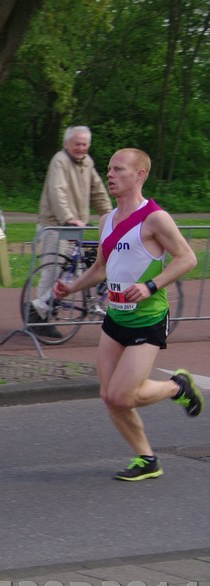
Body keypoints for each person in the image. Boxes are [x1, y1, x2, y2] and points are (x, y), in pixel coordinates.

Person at [53, 148, 202, 482]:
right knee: (110, 396)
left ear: (140, 175)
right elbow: (100, 268)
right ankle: (146, 458)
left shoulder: (155, 218)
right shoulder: (106, 220)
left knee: (122, 395)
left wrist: (150, 285)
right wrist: (71, 287)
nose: (110, 175)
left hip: (148, 320)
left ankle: (177, 387)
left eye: (118, 169)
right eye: (109, 169)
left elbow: (187, 259)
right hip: (115, 318)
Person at [29, 126, 113, 338]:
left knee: (71, 273)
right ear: (66, 144)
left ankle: (40, 312)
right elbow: (57, 191)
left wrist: (111, 216)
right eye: (77, 144)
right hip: (56, 225)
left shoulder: (87, 162)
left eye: (85, 144)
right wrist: (68, 218)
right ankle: (38, 315)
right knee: (53, 271)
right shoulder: (59, 161)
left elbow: (98, 191)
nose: (81, 148)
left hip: (75, 227)